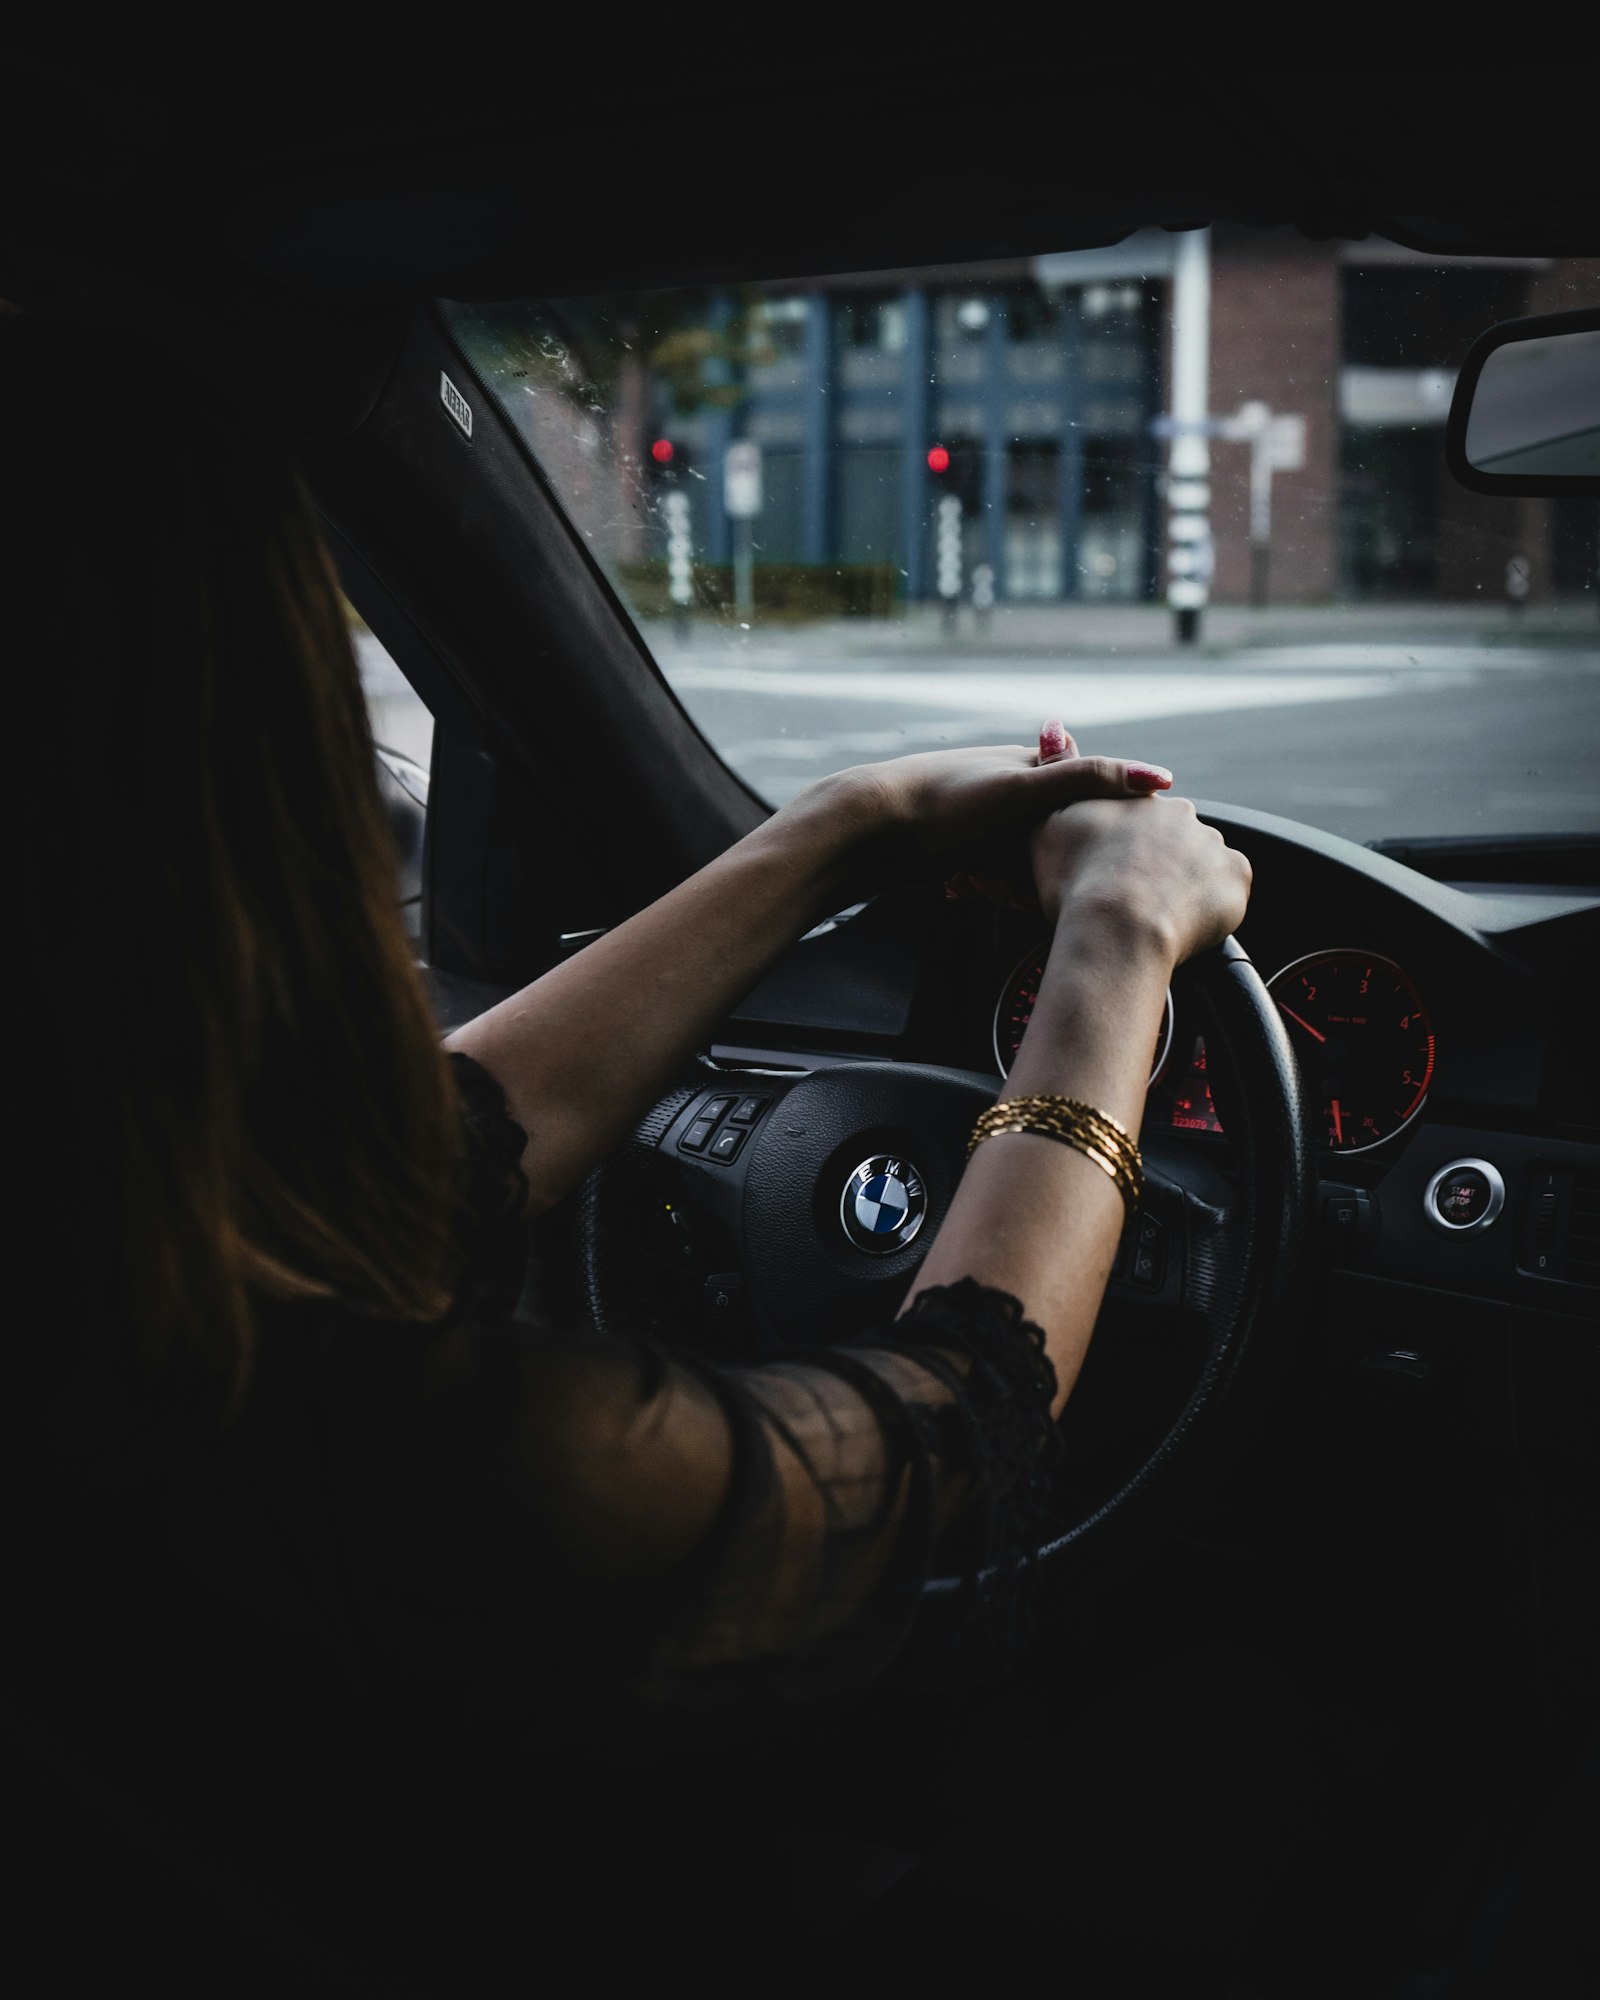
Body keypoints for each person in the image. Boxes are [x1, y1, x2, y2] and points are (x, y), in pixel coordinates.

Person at [9, 315, 1251, 1982]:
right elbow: (954, 1455)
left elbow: (425, 1157)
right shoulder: (383, 1464)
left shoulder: (101, 1270)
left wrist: (843, 828)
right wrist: (1114, 945)